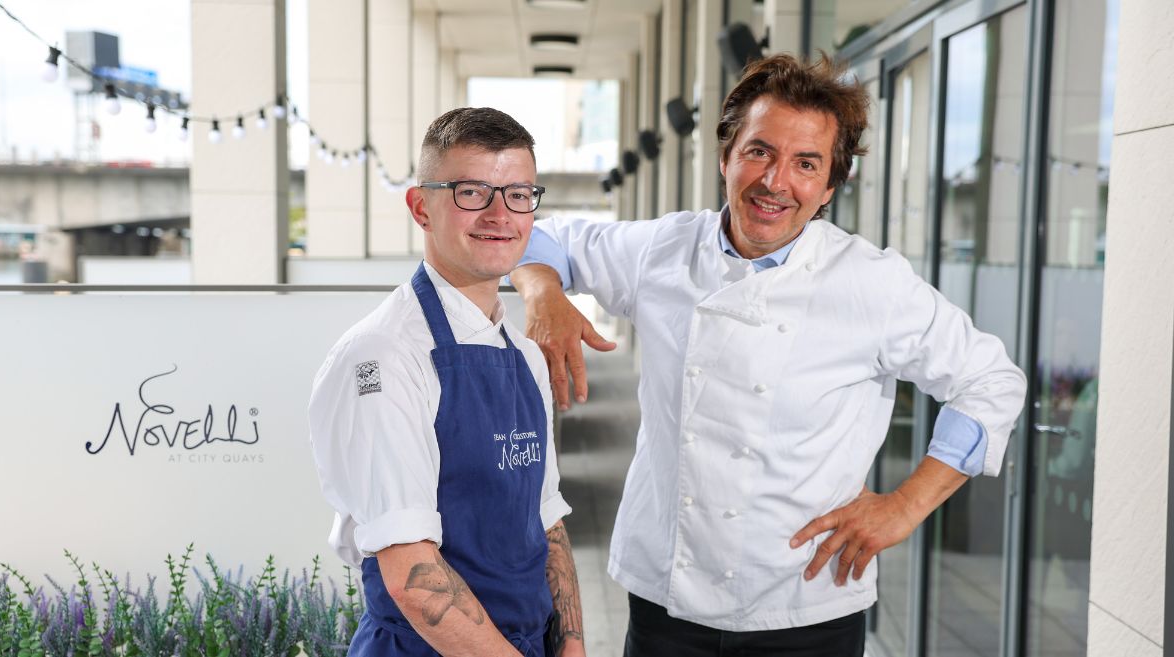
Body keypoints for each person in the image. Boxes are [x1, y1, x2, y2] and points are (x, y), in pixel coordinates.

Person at [510, 54, 1027, 656]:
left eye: (806, 163)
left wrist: (906, 506)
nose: (776, 182)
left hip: (807, 600)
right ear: (726, 158)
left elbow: (991, 382)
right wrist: (544, 291)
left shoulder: (872, 283)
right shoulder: (664, 248)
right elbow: (536, 234)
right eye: (759, 151)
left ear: (831, 185)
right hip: (667, 595)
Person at [308, 107, 586, 657]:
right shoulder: (386, 356)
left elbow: (546, 519)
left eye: (519, 194)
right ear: (421, 207)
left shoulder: (525, 357)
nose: (499, 213)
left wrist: (572, 644)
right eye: (471, 192)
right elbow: (412, 574)